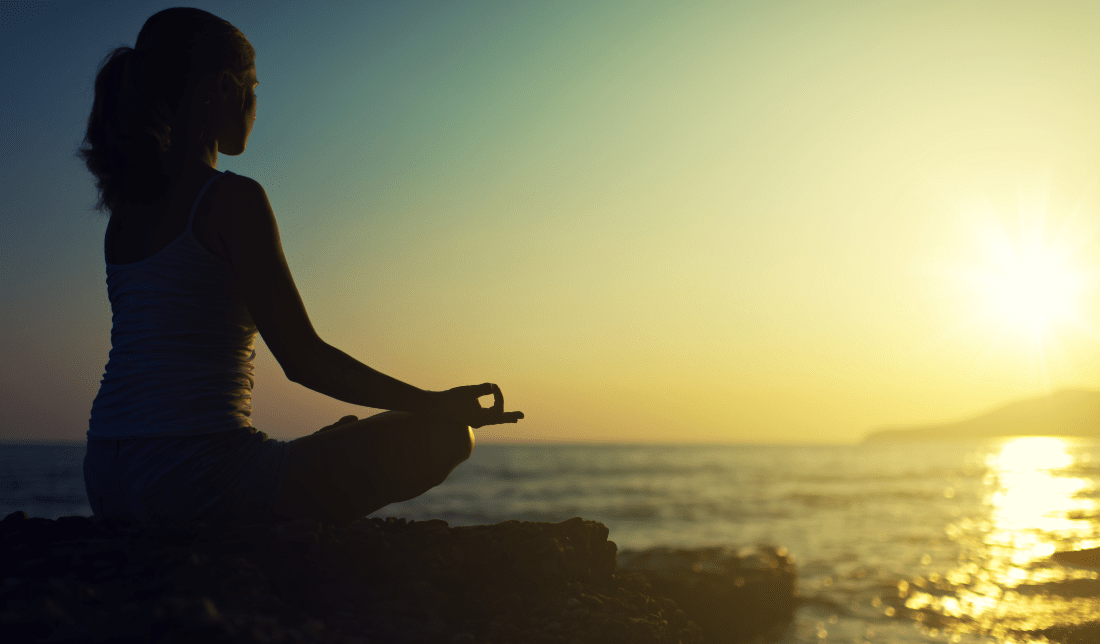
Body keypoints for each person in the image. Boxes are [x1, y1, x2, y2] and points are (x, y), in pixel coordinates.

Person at [76, 7, 522, 529]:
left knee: (342, 434)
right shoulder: (230, 199)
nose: (257, 105)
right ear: (223, 89)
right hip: (193, 481)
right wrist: (435, 403)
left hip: (105, 480)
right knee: (446, 436)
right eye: (254, 87)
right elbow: (304, 359)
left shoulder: (126, 212)